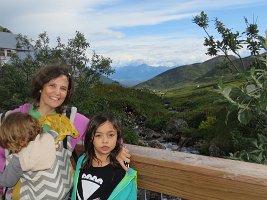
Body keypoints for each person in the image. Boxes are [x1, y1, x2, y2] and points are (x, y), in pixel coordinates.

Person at [0, 63, 131, 199]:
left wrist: (118, 149)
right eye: (52, 85)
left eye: (63, 88)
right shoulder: (12, 118)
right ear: (40, 88)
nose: (57, 92)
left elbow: (103, 130)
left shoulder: (71, 119)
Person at [71, 112, 137, 200]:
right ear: (91, 138)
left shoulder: (123, 172)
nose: (105, 140)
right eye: (98, 135)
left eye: (111, 135)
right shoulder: (83, 161)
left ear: (117, 137)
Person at [0, 112, 62, 199]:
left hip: (38, 196)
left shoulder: (18, 159)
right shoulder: (50, 136)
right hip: (60, 191)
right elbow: (55, 133)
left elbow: (7, 182)